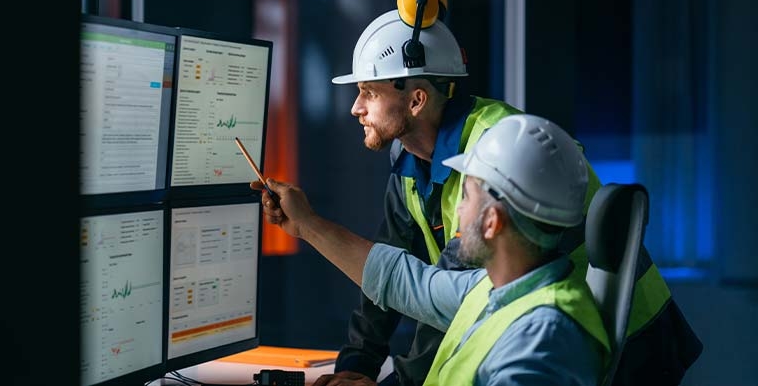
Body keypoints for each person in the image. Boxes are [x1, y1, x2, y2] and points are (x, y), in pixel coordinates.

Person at [319, 0, 702, 386]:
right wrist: (357, 365)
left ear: (416, 100)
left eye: (368, 92)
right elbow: (399, 270)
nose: (356, 107)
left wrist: (397, 382)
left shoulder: (497, 154)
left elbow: (454, 301)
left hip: (611, 338)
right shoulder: (412, 160)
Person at [254, 114, 611, 385]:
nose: (456, 210)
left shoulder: (541, 341)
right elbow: (405, 282)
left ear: (492, 223)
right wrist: (307, 225)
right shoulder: (496, 289)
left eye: (467, 196)